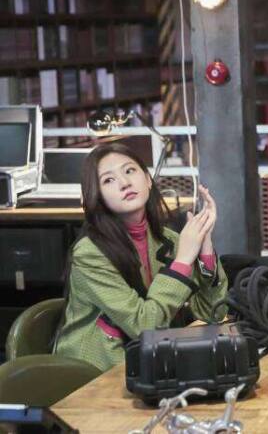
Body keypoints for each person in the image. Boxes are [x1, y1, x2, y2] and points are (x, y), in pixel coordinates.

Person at [54, 143, 228, 372]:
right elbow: (144, 326)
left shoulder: (169, 240)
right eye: (108, 180)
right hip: (96, 371)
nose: (124, 183)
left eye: (129, 171)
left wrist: (205, 247)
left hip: (153, 361)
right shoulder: (89, 253)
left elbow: (213, 314)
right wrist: (183, 261)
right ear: (98, 196)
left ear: (147, 180)